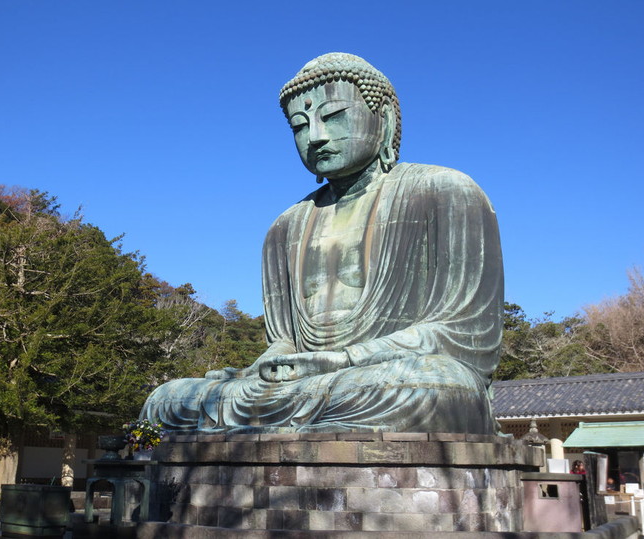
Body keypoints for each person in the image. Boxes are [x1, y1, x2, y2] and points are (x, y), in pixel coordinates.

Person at [141, 53, 503, 434]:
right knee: (166, 399)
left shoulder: (445, 192)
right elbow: (285, 339)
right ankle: (301, 425)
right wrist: (264, 367)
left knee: (436, 387)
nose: (315, 136)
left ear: (385, 120)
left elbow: (467, 336)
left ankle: (286, 424)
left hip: (390, 375)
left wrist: (342, 360)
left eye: (333, 117)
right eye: (300, 125)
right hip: (312, 383)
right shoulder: (286, 227)